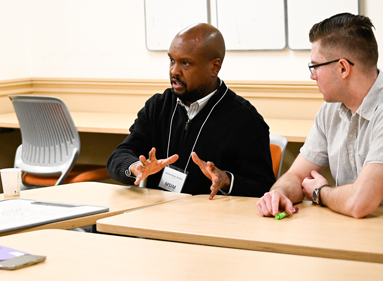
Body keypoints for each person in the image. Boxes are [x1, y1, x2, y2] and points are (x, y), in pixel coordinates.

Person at [257, 13, 383, 219]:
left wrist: (320, 192)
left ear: (343, 68)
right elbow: (295, 175)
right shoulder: (330, 110)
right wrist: (279, 193)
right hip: (349, 231)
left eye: (315, 67)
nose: (312, 76)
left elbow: (359, 203)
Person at [107, 23, 275, 198]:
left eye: (185, 63)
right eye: (172, 60)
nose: (174, 71)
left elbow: (263, 187)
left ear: (214, 67)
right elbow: (119, 156)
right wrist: (135, 167)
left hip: (209, 221)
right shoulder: (158, 106)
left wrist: (227, 180)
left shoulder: (245, 120)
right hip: (156, 216)